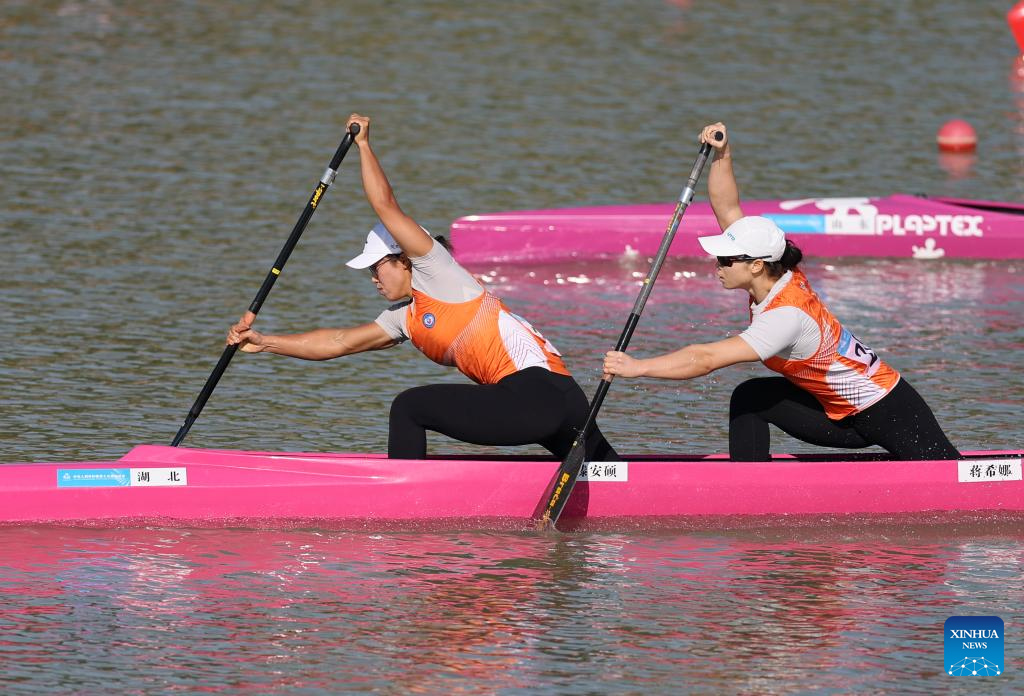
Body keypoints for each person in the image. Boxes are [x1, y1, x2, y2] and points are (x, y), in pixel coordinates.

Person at [227, 114, 619, 461]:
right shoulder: (406, 318)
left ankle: (403, 505)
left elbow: (386, 206)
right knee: (614, 475)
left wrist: (363, 145)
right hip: (563, 402)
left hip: (536, 395)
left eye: (377, 268)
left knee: (409, 407)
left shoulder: (439, 272)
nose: (373, 279)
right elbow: (339, 342)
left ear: (404, 259)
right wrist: (266, 343)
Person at [602, 122, 959, 462]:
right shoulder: (777, 271)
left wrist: (638, 368)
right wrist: (723, 153)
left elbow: (705, 358)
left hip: (885, 409)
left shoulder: (785, 317)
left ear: (755, 265)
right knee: (751, 397)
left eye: (725, 260)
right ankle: (748, 487)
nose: (717, 265)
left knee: (952, 478)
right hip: (834, 409)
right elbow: (726, 207)